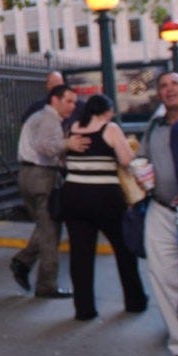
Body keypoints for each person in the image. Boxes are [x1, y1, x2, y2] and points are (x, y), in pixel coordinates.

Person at [60, 94, 147, 321]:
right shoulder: (110, 128)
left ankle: (84, 309)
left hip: (73, 196)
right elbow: (127, 160)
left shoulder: (74, 128)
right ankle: (135, 301)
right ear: (106, 111)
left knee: (80, 255)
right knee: (124, 249)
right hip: (105, 198)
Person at [138, 72, 178, 356]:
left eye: (175, 84)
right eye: (163, 86)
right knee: (164, 277)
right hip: (162, 210)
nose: (169, 89)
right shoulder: (155, 127)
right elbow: (142, 159)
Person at [11, 84, 89, 299]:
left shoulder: (39, 117)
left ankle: (23, 261)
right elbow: (47, 146)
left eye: (74, 102)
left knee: (46, 225)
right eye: (69, 101)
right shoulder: (49, 119)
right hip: (42, 176)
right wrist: (68, 143)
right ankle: (46, 285)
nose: (73, 106)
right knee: (50, 232)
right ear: (55, 100)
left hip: (29, 175)